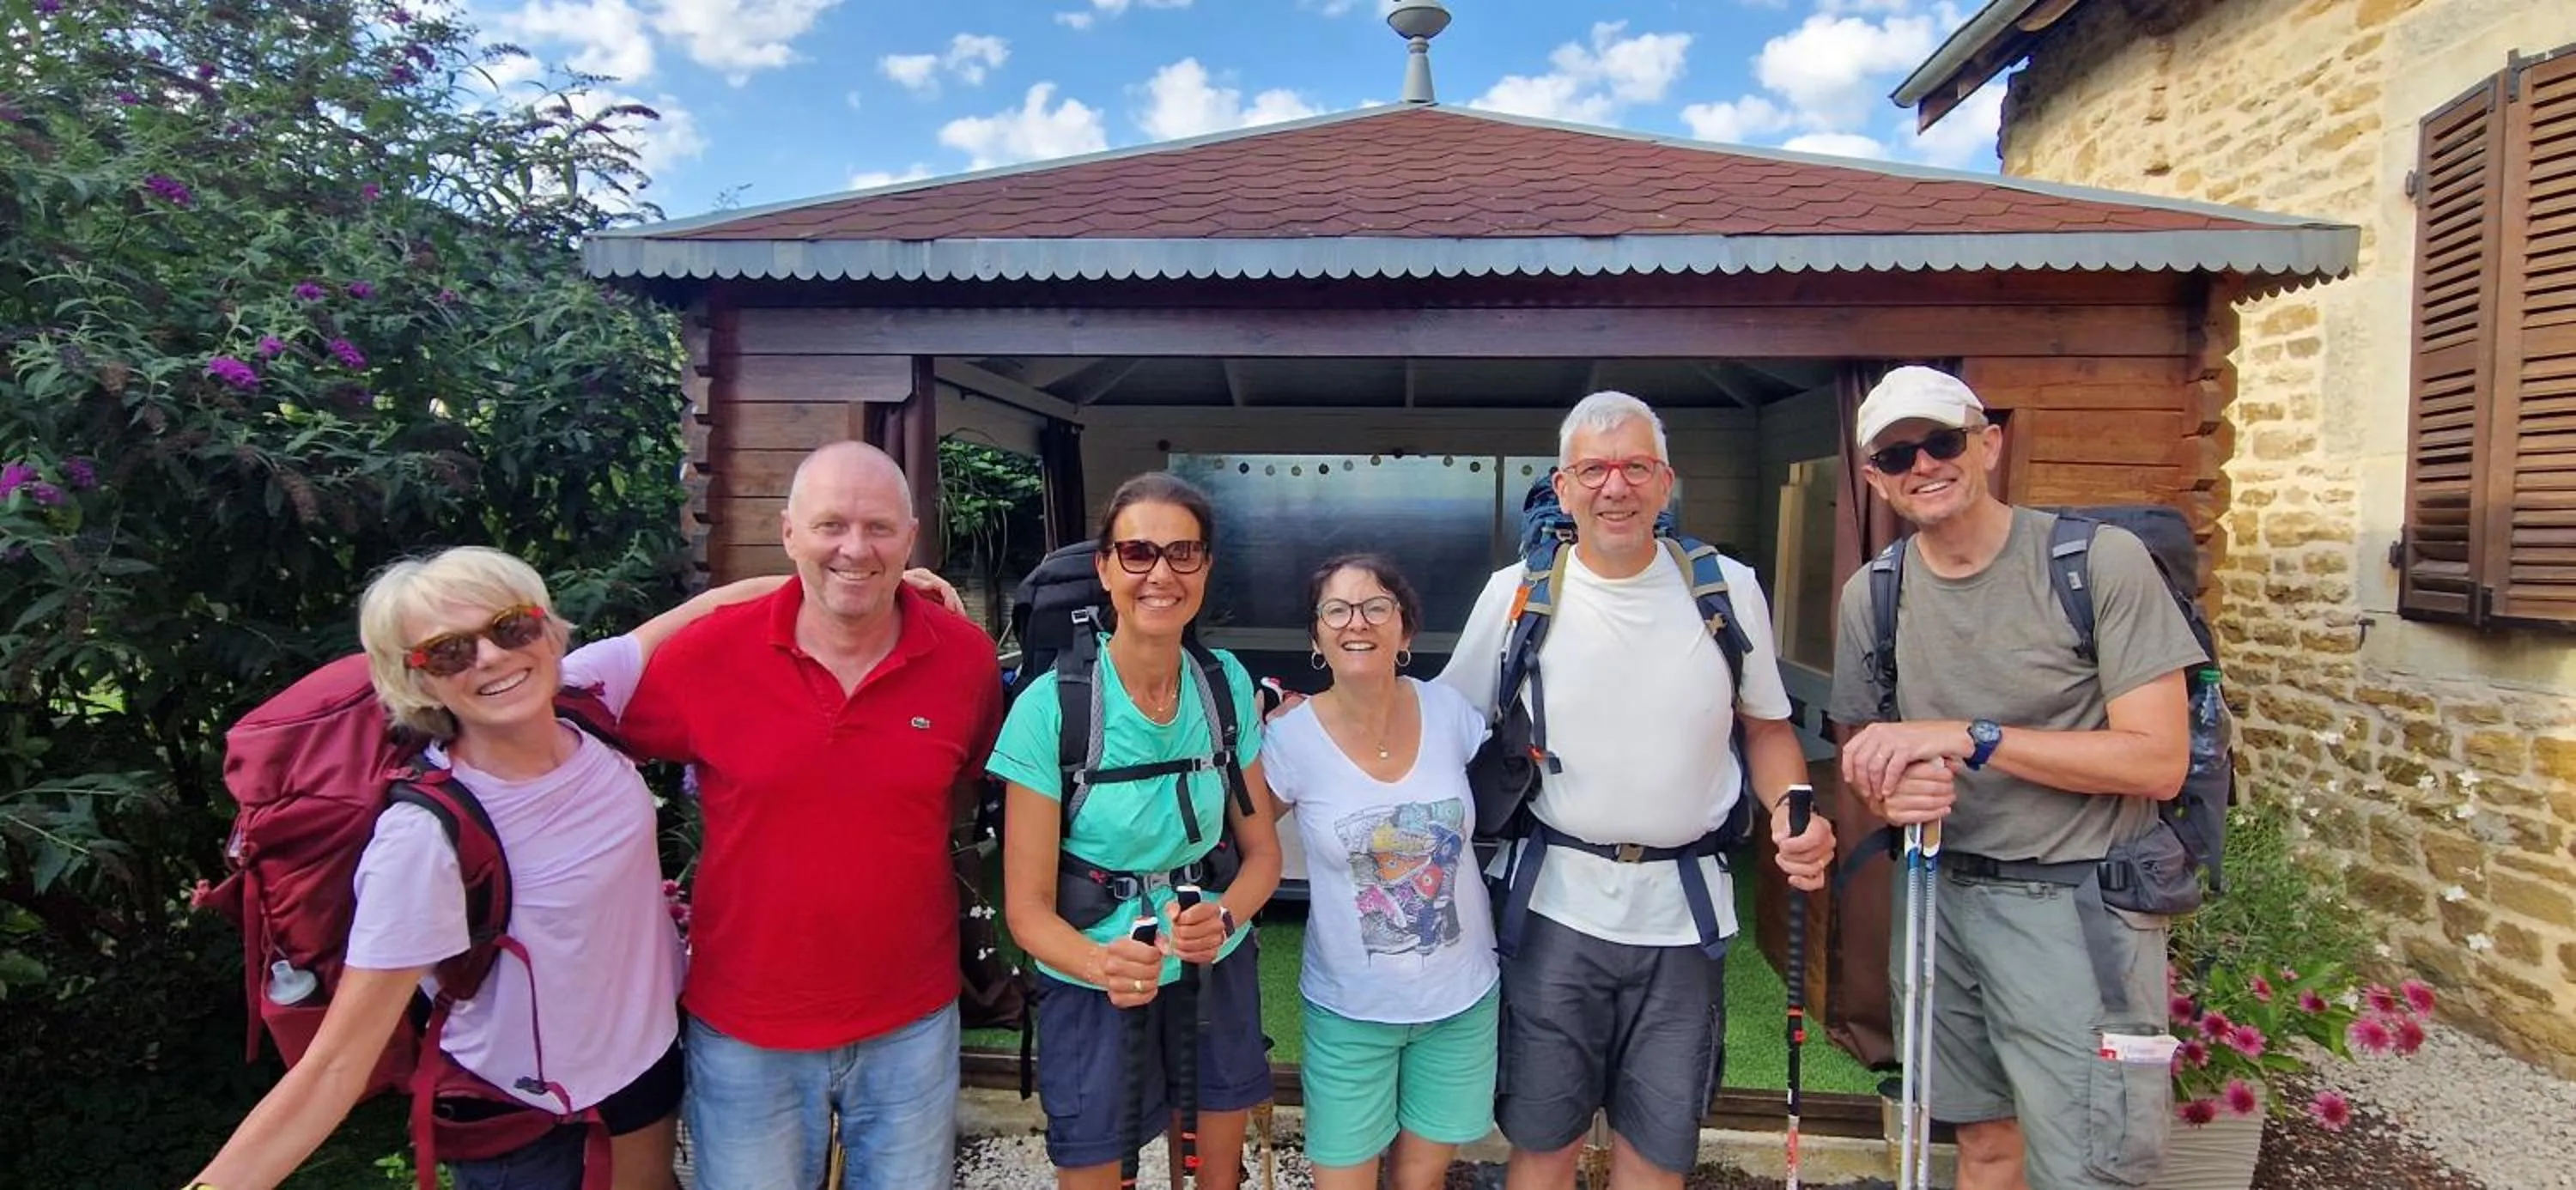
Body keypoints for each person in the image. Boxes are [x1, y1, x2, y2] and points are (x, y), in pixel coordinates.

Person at [185, 546, 781, 1190]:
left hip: (643, 1072)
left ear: (549, 630)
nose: (492, 657)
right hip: (529, 1122)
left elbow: (710, 608)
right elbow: (334, 1068)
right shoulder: (424, 842)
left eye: (511, 627)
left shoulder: (584, 696)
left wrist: (891, 587)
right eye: (449, 651)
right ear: (417, 681)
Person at [1438, 391, 1838, 1190]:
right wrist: (1336, 715)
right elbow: (1446, 720)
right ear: (1562, 484)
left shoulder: (1726, 588)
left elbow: (1764, 725)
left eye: (1634, 468)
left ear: (1666, 482)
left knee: (1658, 1153)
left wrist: (1796, 808)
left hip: (1684, 918)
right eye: (1593, 469)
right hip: (1553, 908)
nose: (1614, 487)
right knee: (1542, 1142)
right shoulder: (1517, 592)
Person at [1826, 366, 2205, 1190]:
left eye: (1941, 441)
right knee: (1983, 1143)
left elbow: (2157, 758)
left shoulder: (2098, 564)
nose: (1922, 465)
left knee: (2089, 1168)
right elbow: (1873, 759)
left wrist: (1976, 737)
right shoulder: (1875, 596)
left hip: (2077, 909)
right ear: (1873, 479)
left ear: (1989, 444)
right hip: (1941, 897)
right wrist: (1892, 793)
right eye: (1896, 456)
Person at [614, 440, 1005, 1190]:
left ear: (912, 537)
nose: (855, 549)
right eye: (830, 526)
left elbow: (960, 788)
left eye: (879, 529)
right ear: (789, 533)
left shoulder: (965, 659)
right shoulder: (707, 655)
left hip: (912, 1022)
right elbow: (574, 706)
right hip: (745, 1028)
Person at [990, 471, 1286, 1190]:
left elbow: (1261, 856)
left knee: (1216, 1171)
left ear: (1206, 566)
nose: (1161, 574)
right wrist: (1101, 966)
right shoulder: (1050, 709)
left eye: (1184, 553)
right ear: (1105, 567)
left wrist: (1224, 915)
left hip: (1214, 963)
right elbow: (1026, 910)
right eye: (1138, 553)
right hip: (1093, 972)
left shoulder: (1225, 686)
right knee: (1094, 1170)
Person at [1261, 554, 1497, 1190]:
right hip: (1351, 1007)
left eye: (1375, 607)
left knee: (1422, 1178)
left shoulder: (1451, 714)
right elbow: (1238, 836)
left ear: (1406, 629)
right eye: (1335, 609)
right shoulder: (1290, 741)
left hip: (1461, 998)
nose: (1355, 622)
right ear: (1317, 638)